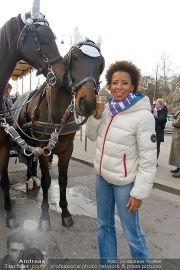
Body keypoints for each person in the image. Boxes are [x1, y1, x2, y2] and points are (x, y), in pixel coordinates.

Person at [86, 60, 157, 262]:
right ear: (109, 85)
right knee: (104, 225)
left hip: (125, 184)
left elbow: (148, 159)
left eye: (124, 83)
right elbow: (91, 136)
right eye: (115, 82)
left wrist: (139, 193)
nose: (119, 87)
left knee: (132, 233)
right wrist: (96, 116)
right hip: (103, 178)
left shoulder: (143, 116)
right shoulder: (107, 108)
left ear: (133, 86)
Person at [169, 108, 180, 178]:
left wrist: (173, 121)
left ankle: (179, 172)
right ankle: (178, 168)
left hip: (179, 135)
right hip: (177, 135)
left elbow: (178, 123)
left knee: (178, 153)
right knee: (176, 152)